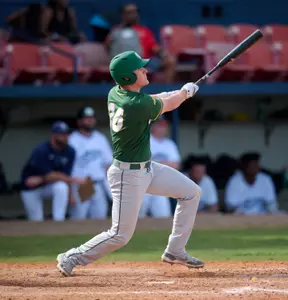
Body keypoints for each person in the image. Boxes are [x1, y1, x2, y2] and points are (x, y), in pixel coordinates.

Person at [56, 50, 202, 276]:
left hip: (147, 168)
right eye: (139, 68)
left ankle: (175, 250)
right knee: (120, 235)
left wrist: (182, 91)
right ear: (128, 78)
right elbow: (168, 103)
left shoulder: (116, 92)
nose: (145, 69)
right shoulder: (135, 105)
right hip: (128, 176)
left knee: (192, 193)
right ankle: (72, 257)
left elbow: (157, 98)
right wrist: (184, 94)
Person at [20, 121, 84, 221]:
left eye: (66, 134)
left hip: (47, 185)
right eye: (62, 134)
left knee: (61, 186)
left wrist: (71, 194)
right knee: (36, 220)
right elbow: (50, 175)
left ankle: (58, 220)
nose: (66, 136)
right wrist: (72, 180)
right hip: (31, 188)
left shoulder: (70, 151)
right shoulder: (41, 150)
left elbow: (65, 175)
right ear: (54, 135)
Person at [106, 3, 176, 83]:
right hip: (124, 63)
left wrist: (164, 54)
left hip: (144, 61)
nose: (133, 15)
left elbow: (154, 47)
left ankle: (165, 91)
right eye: (129, 12)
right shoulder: (116, 31)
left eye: (135, 12)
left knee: (170, 61)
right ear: (123, 15)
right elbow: (108, 47)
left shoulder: (144, 31)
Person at [68, 106, 113, 220]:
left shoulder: (100, 138)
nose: (90, 120)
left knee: (99, 220)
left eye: (91, 118)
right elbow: (67, 168)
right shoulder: (71, 140)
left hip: (98, 184)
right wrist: (70, 192)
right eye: (86, 118)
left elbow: (108, 163)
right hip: (81, 184)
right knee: (79, 220)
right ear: (79, 121)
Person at [139, 116, 180, 218]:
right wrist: (163, 163)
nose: (162, 128)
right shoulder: (143, 141)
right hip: (143, 184)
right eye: (159, 125)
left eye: (164, 125)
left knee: (163, 216)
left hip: (160, 185)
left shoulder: (169, 144)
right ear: (152, 126)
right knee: (138, 217)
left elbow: (176, 164)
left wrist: (157, 163)